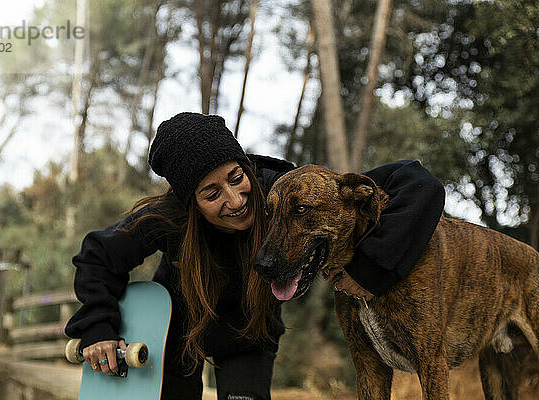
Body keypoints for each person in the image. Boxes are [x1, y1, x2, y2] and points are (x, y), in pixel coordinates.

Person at [64, 112, 445, 400]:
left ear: (245, 166)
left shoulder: (283, 189)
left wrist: (369, 269)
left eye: (235, 178)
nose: (235, 201)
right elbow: (97, 255)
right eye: (212, 195)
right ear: (191, 203)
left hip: (249, 333)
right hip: (173, 331)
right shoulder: (168, 217)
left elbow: (417, 183)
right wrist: (98, 328)